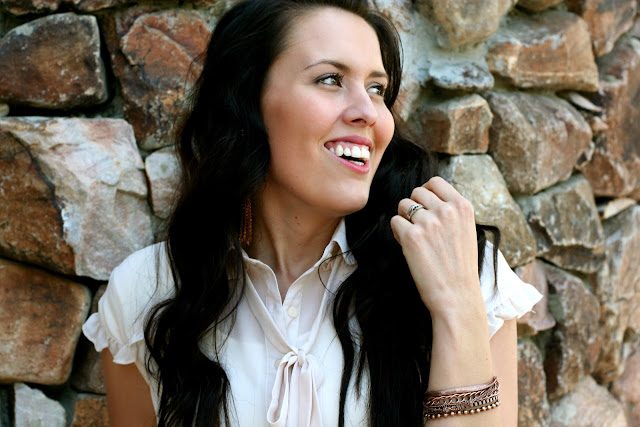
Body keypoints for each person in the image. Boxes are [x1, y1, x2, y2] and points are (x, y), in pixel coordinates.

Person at [82, 0, 542, 425]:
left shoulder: (465, 272)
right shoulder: (148, 292)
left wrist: (456, 305)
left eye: (377, 88)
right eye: (330, 80)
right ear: (248, 104)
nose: (368, 112)